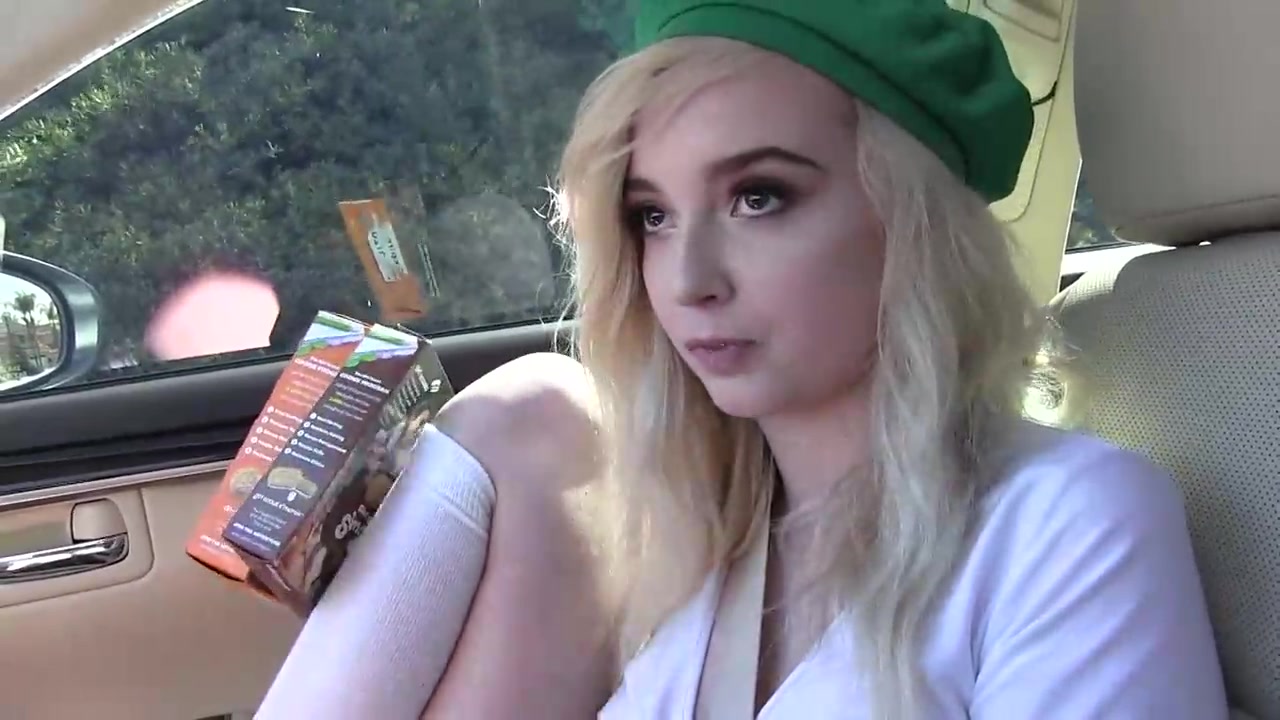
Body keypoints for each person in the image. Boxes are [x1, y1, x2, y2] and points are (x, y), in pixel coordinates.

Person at [253, 2, 1229, 718]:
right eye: (652, 216)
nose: (688, 280)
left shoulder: (1066, 522)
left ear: (910, 220)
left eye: (759, 197)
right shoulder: (693, 547)